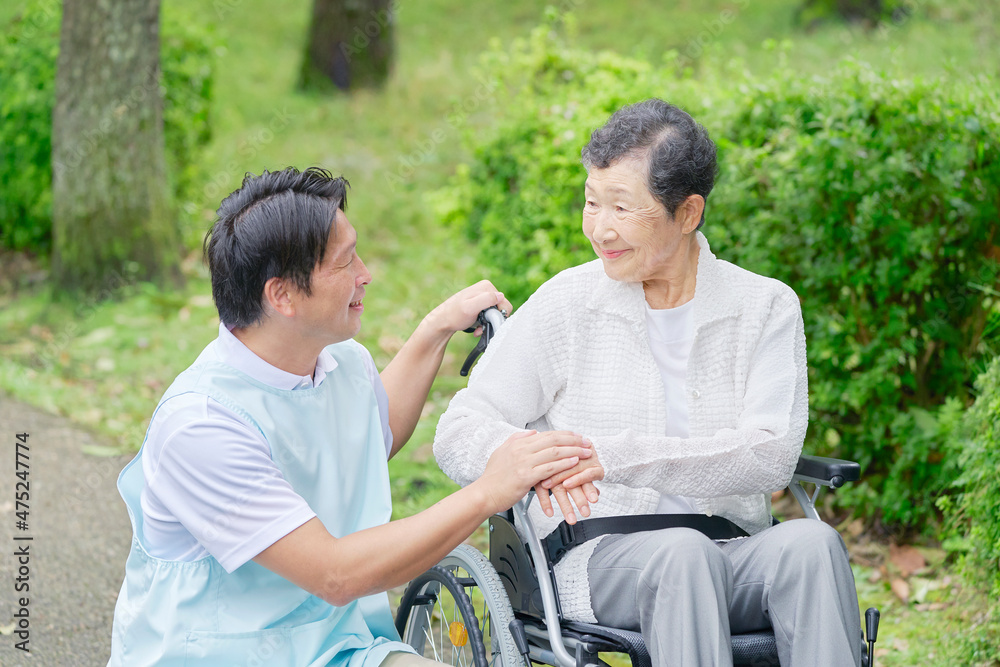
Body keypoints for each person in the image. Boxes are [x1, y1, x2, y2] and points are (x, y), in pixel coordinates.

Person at [107, 167, 597, 667]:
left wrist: (437, 329)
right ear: (283, 296)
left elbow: (371, 435)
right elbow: (334, 575)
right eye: (346, 263)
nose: (366, 273)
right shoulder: (202, 427)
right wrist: (489, 491)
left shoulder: (338, 361)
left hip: (340, 646)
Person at [434, 99, 863, 666]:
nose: (599, 228)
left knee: (814, 545)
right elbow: (458, 430)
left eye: (621, 207)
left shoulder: (764, 306)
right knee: (684, 555)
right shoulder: (568, 303)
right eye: (591, 202)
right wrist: (532, 457)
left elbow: (770, 455)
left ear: (687, 214)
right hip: (599, 555)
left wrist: (617, 456)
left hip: (732, 546)